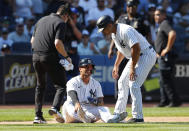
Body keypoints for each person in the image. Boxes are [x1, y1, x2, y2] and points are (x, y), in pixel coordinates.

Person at [96, 15, 157, 123]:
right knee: (122, 81)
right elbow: (121, 50)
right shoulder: (114, 33)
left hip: (146, 54)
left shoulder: (125, 30)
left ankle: (138, 117)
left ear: (110, 25)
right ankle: (119, 113)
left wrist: (132, 68)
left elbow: (136, 48)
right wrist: (116, 65)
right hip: (136, 56)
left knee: (134, 84)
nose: (102, 32)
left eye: (103, 29)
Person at [31, 4, 72, 124]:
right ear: (65, 15)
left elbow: (32, 41)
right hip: (48, 56)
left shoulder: (41, 20)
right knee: (61, 86)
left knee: (40, 86)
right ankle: (55, 108)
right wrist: (66, 57)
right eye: (67, 18)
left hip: (36, 56)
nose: (67, 20)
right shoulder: (61, 23)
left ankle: (38, 116)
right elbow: (58, 43)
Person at [62, 58, 112, 123]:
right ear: (80, 69)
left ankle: (109, 120)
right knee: (67, 105)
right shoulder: (73, 81)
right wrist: (77, 104)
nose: (89, 69)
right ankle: (87, 118)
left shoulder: (96, 84)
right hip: (73, 107)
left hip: (88, 108)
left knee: (104, 109)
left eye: (91, 67)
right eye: (86, 67)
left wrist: (96, 102)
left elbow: (101, 102)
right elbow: (72, 93)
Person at [154, 8, 182, 107]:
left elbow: (172, 34)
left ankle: (174, 101)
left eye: (158, 14)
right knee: (162, 80)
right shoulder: (161, 25)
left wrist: (167, 49)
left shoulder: (165, 23)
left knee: (166, 79)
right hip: (162, 57)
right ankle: (164, 100)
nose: (155, 17)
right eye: (155, 15)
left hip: (166, 57)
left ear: (164, 15)